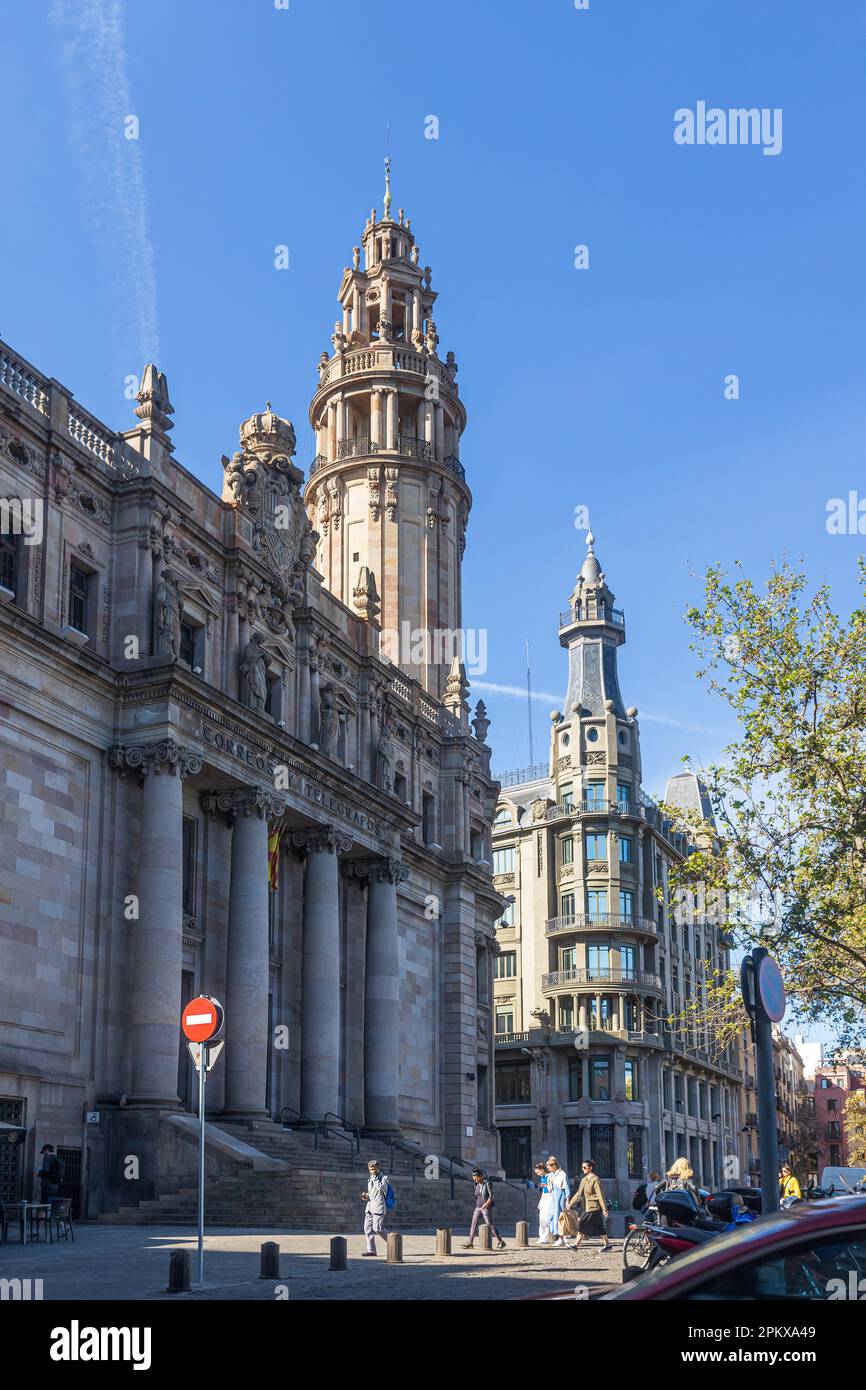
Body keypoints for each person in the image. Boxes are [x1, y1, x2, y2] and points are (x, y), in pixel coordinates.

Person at [569, 1158, 612, 1252]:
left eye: (585, 1167)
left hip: (593, 1207)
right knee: (599, 1227)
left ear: (590, 1168)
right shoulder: (584, 1179)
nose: (583, 1169)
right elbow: (579, 1193)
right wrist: (570, 1203)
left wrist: (604, 1209)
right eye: (582, 1167)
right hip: (586, 1206)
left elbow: (600, 1195)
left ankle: (575, 1245)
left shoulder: (595, 1179)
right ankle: (608, 1245)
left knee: (582, 1224)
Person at [463, 1169, 506, 1250]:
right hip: (478, 1207)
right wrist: (477, 1207)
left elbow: (491, 1196)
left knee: (490, 1224)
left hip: (486, 1207)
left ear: (481, 1176)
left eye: (477, 1177)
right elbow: (477, 1196)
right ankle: (470, 1242)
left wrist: (485, 1205)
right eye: (474, 1177)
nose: (475, 1179)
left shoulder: (487, 1183)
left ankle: (501, 1241)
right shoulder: (476, 1184)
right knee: (473, 1224)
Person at [360, 1159, 391, 1257]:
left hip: (378, 1207)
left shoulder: (384, 1178)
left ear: (378, 1168)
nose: (371, 1171)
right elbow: (372, 1193)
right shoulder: (370, 1179)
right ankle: (371, 1250)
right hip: (369, 1207)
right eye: (369, 1169)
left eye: (373, 1169)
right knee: (367, 1229)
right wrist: (366, 1196)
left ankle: (394, 1242)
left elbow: (381, 1189)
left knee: (378, 1228)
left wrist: (375, 1178)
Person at [543, 1155, 570, 1246]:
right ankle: (561, 1236)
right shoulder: (552, 1175)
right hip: (554, 1198)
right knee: (552, 1217)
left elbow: (566, 1187)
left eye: (549, 1167)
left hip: (560, 1197)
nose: (548, 1169)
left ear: (553, 1166)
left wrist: (567, 1200)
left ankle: (561, 1238)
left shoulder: (562, 1174)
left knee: (560, 1217)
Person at [531, 1162, 553, 1244]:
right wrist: (541, 1201)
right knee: (541, 1217)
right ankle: (542, 1237)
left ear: (542, 1170)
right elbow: (544, 1191)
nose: (537, 1174)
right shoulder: (542, 1177)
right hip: (545, 1197)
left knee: (547, 1217)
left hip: (550, 1197)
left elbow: (552, 1188)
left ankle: (548, 1236)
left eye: (538, 1172)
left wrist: (545, 1185)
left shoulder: (549, 1176)